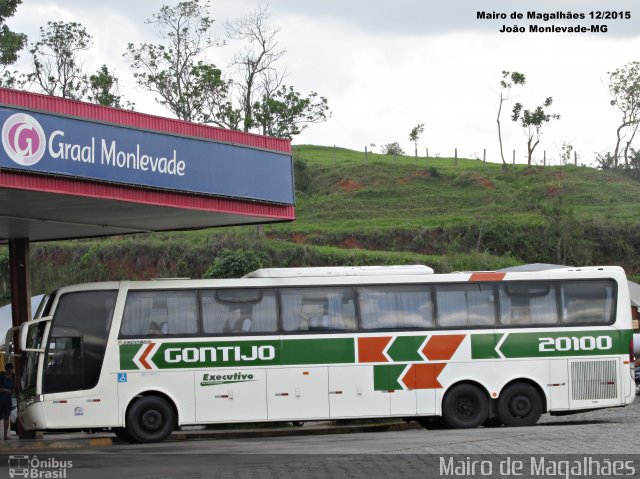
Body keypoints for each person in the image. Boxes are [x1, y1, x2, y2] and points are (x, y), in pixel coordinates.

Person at [0, 364, 15, 439]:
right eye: (12, 369)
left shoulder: (13, 378)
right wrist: (6, 390)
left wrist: (8, 390)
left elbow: (13, 390)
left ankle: (5, 435)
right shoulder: (1, 377)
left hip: (8, 401)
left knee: (6, 417)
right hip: (1, 400)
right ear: (8, 370)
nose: (13, 371)